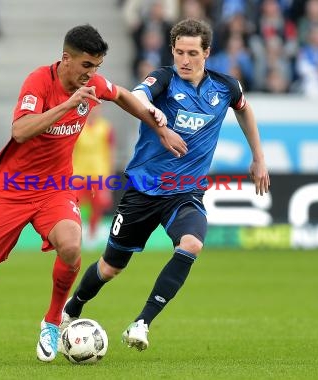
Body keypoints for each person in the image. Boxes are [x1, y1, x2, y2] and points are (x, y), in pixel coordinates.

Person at [0, 24, 187, 364]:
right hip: (12, 191)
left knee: (72, 245)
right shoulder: (39, 82)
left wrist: (159, 127)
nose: (92, 74)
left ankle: (51, 321)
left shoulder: (91, 84)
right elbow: (20, 131)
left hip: (55, 188)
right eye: (87, 66)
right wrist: (68, 105)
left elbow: (122, 95)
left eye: (97, 67)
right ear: (66, 59)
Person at [61, 19, 271, 351]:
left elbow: (244, 110)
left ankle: (142, 323)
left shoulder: (226, 87)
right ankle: (72, 308)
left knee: (191, 244)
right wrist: (155, 117)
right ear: (172, 51)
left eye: (192, 53)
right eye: (179, 52)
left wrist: (258, 156)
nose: (184, 60)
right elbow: (139, 95)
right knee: (110, 267)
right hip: (143, 190)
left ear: (207, 53)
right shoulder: (163, 79)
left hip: (186, 192)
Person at [72, 105, 115, 244]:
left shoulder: (106, 128)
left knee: (98, 205)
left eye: (96, 109)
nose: (93, 112)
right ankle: (76, 231)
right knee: (74, 205)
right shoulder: (77, 126)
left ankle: (92, 234)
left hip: (99, 173)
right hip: (78, 173)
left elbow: (110, 152)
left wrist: (111, 175)